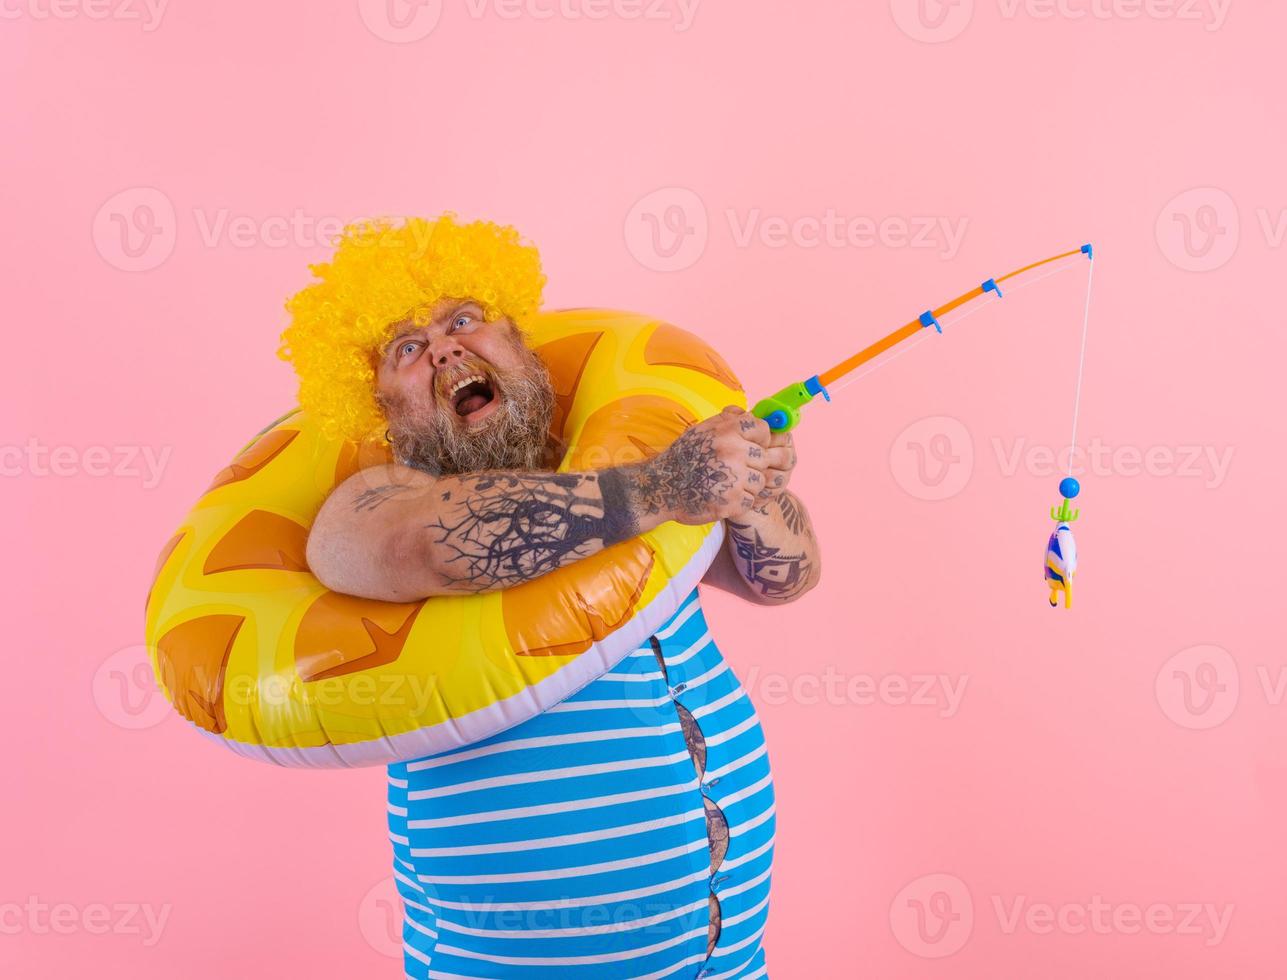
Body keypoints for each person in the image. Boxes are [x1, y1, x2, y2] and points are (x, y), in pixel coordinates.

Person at [281, 214, 822, 979]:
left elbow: (783, 579)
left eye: (462, 319)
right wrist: (667, 484)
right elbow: (430, 546)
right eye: (406, 349)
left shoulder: (620, 454)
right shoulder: (372, 503)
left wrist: (750, 487)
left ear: (520, 345)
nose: (443, 348)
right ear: (378, 409)